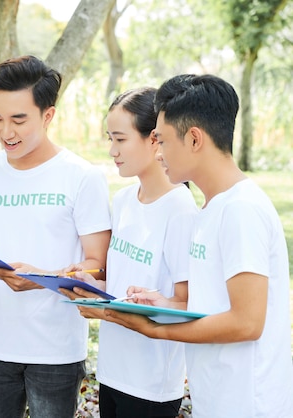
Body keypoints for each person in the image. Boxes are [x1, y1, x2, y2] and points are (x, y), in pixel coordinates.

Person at [92, 74, 293, 418]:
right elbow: (214, 305)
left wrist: (158, 329)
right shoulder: (210, 209)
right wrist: (164, 304)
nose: (160, 152)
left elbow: (247, 322)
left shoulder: (241, 210)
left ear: (195, 139)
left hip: (250, 404)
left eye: (164, 141)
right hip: (214, 398)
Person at [0, 55, 112, 418]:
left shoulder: (81, 177)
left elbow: (98, 268)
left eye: (19, 119)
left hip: (55, 350)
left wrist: (41, 280)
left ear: (48, 116)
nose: (6, 131)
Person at [62, 87, 198, 418]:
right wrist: (89, 284)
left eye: (120, 139)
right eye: (110, 139)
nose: (112, 150)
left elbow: (185, 303)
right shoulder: (123, 200)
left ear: (154, 140)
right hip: (111, 371)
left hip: (151, 385)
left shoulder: (180, 208)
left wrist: (106, 311)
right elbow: (119, 278)